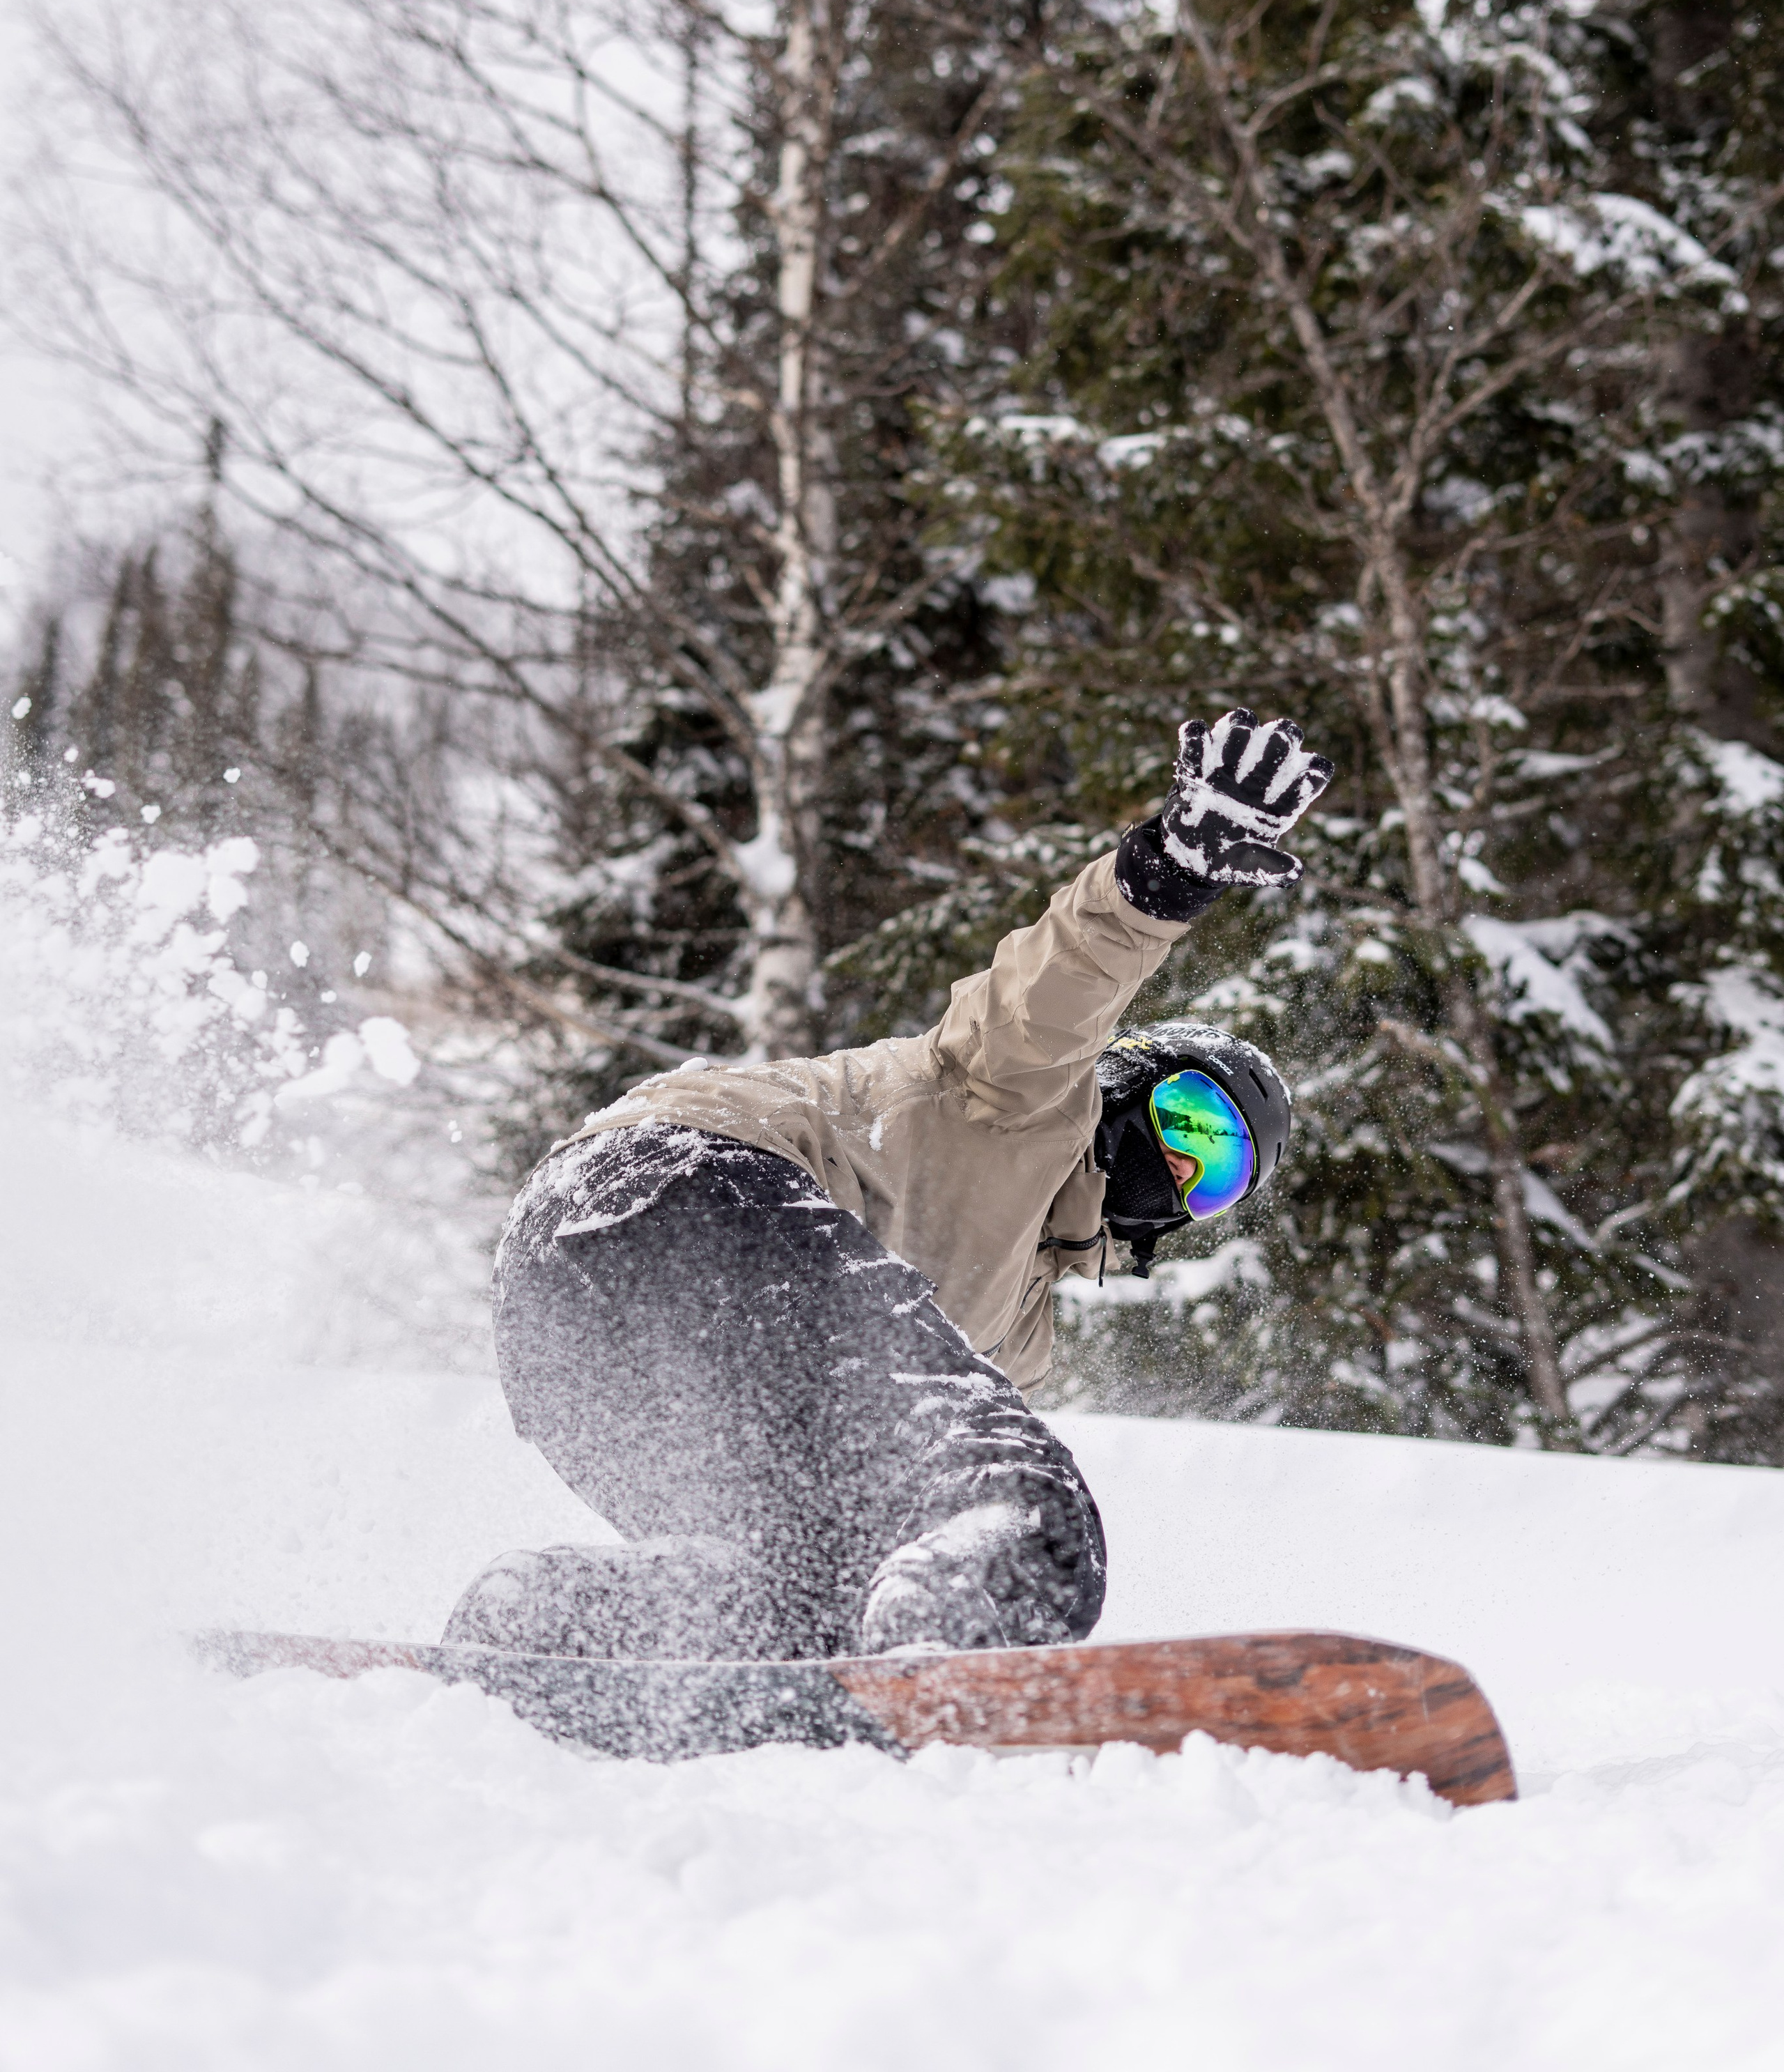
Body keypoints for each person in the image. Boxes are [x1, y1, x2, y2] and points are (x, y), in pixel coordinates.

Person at [445, 708, 1332, 1662]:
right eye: (1189, 1120)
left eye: (1218, 1175)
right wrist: (1169, 874)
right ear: (1125, 1081)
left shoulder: (1016, 1336)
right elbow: (1059, 986)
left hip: (566, 1328)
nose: (1183, 1167)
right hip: (685, 1192)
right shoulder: (1025, 1095)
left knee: (800, 1596)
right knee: (1028, 1516)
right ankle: (945, 1663)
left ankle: (553, 1627)